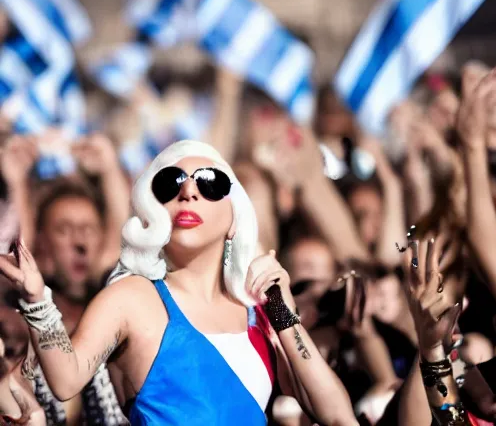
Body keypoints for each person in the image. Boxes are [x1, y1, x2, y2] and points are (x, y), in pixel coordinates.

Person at [0, 140, 358, 426]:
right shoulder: (132, 298)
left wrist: (283, 313)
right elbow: (64, 380)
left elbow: (337, 415)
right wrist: (36, 298)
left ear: (236, 218)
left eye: (210, 183)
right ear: (152, 210)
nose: (188, 192)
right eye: (170, 183)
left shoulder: (256, 311)